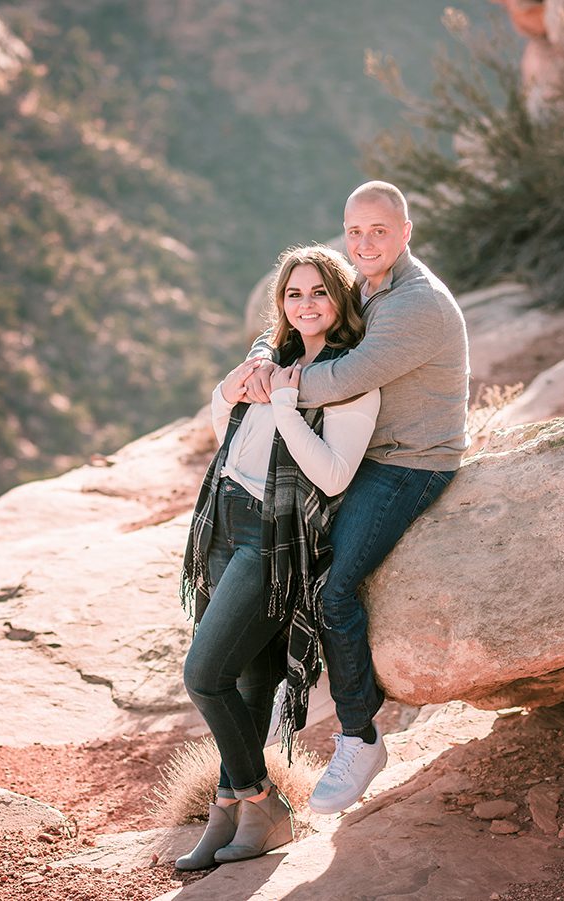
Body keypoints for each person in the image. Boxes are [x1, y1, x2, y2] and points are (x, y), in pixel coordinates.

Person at [240, 181, 469, 815]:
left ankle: (361, 737)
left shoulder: (415, 303)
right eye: (355, 232)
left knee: (335, 585)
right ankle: (282, 704)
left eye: (380, 232)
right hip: (362, 451)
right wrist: (264, 356)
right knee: (281, 551)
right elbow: (298, 313)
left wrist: (280, 387)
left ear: (406, 232)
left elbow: (345, 376)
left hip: (410, 462)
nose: (366, 244)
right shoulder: (365, 282)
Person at [176, 245, 381, 870]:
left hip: (274, 540)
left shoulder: (349, 377)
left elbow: (335, 475)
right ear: (281, 305)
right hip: (225, 520)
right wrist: (227, 392)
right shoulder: (275, 357)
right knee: (249, 681)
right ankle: (227, 814)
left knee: (203, 677)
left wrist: (289, 409)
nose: (306, 304)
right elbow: (232, 440)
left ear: (339, 298)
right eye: (294, 294)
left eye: (319, 292)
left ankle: (263, 804)